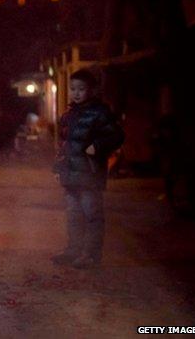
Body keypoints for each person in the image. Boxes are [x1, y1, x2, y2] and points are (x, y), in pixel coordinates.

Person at [51, 69, 124, 269]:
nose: (76, 93)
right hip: (70, 175)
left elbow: (117, 135)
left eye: (81, 89)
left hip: (90, 175)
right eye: (73, 88)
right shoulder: (69, 115)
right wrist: (58, 168)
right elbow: (63, 144)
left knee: (92, 216)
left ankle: (91, 255)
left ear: (91, 90)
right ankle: (73, 250)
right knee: (73, 215)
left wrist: (98, 146)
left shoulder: (100, 113)